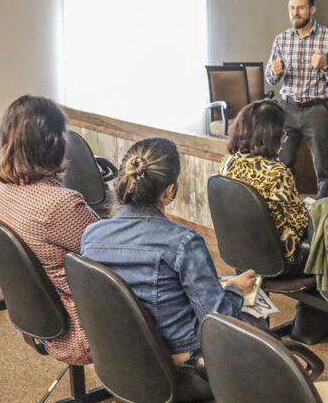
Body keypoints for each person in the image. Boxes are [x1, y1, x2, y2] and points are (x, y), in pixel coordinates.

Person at [82, 137, 265, 397]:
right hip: (183, 368)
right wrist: (236, 290)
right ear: (169, 191)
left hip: (120, 360)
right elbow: (219, 320)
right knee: (256, 314)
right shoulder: (183, 242)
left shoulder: (91, 236)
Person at [0, 95, 97, 365]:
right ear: (53, 144)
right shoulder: (59, 205)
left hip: (45, 321)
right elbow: (113, 252)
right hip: (83, 329)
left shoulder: (3, 190)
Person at [266, 0, 328, 199]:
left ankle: (323, 215)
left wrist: (325, 66)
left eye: (301, 8)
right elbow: (271, 78)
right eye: (292, 8)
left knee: (323, 168)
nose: (295, 13)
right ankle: (287, 209)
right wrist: (273, 72)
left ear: (312, 9)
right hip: (287, 109)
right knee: (282, 166)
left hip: (316, 109)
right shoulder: (282, 40)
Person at [219, 100, 310, 273]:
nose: (284, 140)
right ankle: (311, 300)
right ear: (270, 136)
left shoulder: (227, 163)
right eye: (282, 134)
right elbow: (301, 224)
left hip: (239, 251)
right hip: (278, 258)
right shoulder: (277, 172)